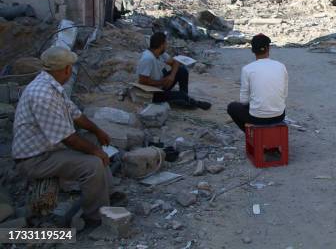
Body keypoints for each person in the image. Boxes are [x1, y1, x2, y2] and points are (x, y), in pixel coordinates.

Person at [12, 47, 113, 227]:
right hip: (35, 159)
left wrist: (98, 131)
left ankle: (105, 196)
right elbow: (68, 138)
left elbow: (76, 114)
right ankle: (95, 218)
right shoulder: (42, 94)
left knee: (94, 143)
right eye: (70, 67)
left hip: (46, 150)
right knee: (93, 164)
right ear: (66, 69)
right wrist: (97, 152)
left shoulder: (51, 86)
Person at [227, 34, 287, 132]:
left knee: (232, 107)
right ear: (269, 48)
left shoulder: (247, 69)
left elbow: (244, 101)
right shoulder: (281, 66)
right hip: (279, 115)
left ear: (252, 50)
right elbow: (284, 94)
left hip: (257, 118)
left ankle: (252, 135)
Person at [137, 32, 211, 110]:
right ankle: (192, 102)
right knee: (179, 96)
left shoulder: (160, 53)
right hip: (152, 91)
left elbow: (175, 62)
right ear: (162, 45)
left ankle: (184, 96)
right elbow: (143, 81)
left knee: (182, 70)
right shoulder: (148, 58)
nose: (166, 45)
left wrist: (171, 76)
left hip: (161, 83)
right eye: (165, 43)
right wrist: (162, 82)